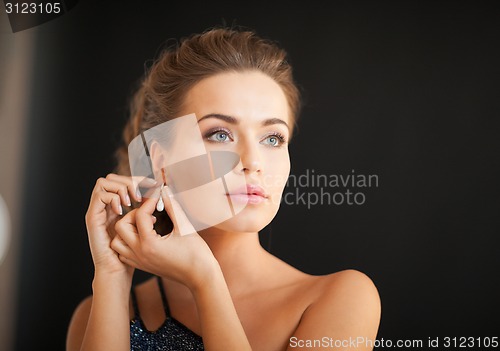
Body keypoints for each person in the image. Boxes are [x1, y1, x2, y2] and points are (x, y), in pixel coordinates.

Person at [66, 26, 381, 351]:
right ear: (161, 162)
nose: (252, 161)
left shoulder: (341, 299)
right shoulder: (98, 313)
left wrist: (206, 280)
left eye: (272, 138)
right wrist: (112, 276)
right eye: (220, 134)